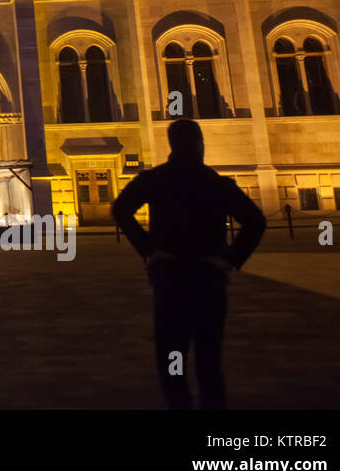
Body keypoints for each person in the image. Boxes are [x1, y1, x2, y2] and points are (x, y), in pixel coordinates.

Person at [113, 119, 266, 410]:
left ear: (171, 144)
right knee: (209, 361)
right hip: (209, 278)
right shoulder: (215, 182)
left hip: (170, 279)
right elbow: (256, 221)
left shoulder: (156, 179)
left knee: (172, 357)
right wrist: (229, 259)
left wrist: (148, 251)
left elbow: (120, 209)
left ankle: (179, 403)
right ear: (199, 144)